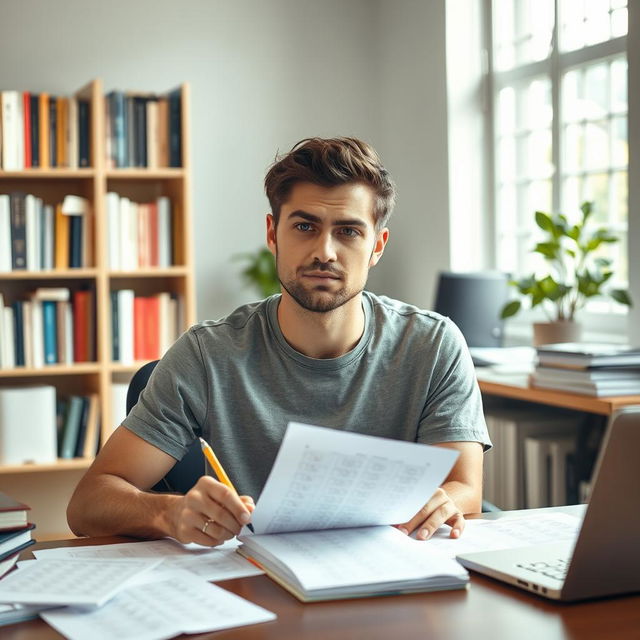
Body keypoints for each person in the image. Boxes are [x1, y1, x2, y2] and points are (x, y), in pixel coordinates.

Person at [67, 136, 491, 547]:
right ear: (273, 234)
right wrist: (168, 513)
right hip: (256, 587)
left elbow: (465, 488)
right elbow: (88, 504)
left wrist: (444, 501)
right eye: (305, 226)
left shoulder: (433, 345)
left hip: (389, 580)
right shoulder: (207, 355)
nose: (325, 251)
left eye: (348, 232)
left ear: (377, 246)